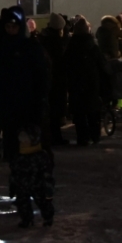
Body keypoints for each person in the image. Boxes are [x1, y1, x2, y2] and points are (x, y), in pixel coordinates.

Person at [0, 6, 55, 226]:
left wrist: (40, 104)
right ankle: (24, 208)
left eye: (15, 25)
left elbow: (43, 77)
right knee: (17, 163)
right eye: (8, 26)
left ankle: (44, 204)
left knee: (36, 161)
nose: (11, 29)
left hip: (30, 111)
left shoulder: (31, 48)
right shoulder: (0, 48)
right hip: (10, 111)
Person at [63, 17, 109, 146]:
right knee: (93, 110)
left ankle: (82, 137)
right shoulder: (92, 46)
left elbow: (66, 64)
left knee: (79, 112)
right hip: (92, 82)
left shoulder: (71, 46)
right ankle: (95, 135)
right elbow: (102, 64)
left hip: (76, 82)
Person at [39, 13, 71, 145]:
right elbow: (61, 60)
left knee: (50, 109)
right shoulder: (56, 41)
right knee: (56, 109)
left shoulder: (44, 38)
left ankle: (49, 136)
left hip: (48, 78)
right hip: (56, 79)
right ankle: (55, 137)